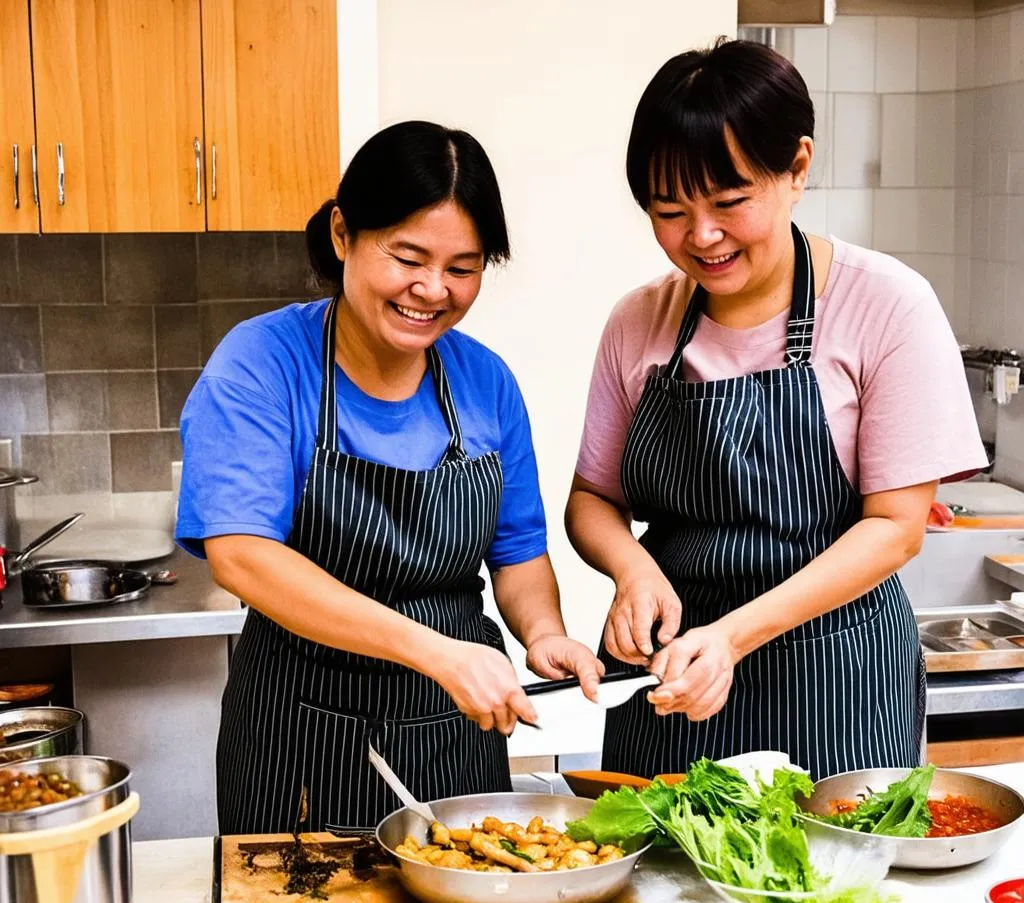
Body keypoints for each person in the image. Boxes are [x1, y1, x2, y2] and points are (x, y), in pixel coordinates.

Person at [565, 40, 986, 781]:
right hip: (669, 681)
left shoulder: (884, 304)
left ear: (796, 168)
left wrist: (732, 637)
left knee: (829, 889)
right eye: (670, 211)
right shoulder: (639, 321)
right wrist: (631, 570)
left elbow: (895, 527)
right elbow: (594, 499)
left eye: (730, 203)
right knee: (658, 890)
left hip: (835, 681)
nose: (701, 236)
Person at [177, 120, 602, 833]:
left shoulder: (485, 382)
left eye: (462, 268)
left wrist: (543, 632)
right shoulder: (262, 363)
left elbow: (519, 551)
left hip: (455, 735)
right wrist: (435, 652)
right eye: (407, 256)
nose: (431, 290)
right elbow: (243, 555)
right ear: (343, 234)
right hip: (298, 737)